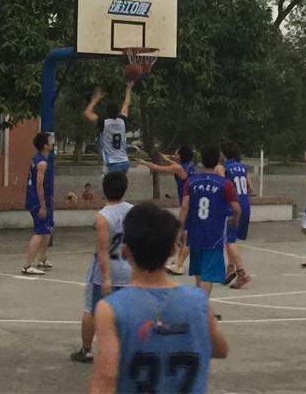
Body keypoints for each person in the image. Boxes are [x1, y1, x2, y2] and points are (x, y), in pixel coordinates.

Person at [90, 203, 228, 393]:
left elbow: (106, 379)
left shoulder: (111, 308)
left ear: (125, 251)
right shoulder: (198, 300)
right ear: (172, 250)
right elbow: (220, 349)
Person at [71, 171, 133, 363]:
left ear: (105, 190)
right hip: (127, 267)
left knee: (91, 309)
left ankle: (86, 350)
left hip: (106, 268)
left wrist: (106, 277)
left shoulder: (103, 216)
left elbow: (103, 249)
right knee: (126, 310)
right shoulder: (133, 211)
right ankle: (127, 349)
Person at [179, 145, 241, 305]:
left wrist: (180, 228)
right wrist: (235, 218)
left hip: (195, 231)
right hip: (214, 234)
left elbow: (185, 205)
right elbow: (236, 208)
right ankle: (202, 307)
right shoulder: (225, 184)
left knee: (199, 270)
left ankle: (200, 306)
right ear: (218, 160)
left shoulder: (191, 182)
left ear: (201, 160)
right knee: (209, 273)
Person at [139, 146, 196, 275]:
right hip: (192, 201)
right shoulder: (190, 166)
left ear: (180, 156)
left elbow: (159, 168)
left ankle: (179, 264)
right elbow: (175, 164)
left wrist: (145, 163)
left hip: (188, 203)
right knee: (184, 235)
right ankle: (177, 262)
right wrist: (165, 158)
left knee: (186, 235)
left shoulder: (178, 168)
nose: (174, 155)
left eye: (176, 153)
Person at [216, 141, 252, 289]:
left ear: (223, 153)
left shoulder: (222, 167)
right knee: (231, 239)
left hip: (232, 204)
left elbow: (222, 186)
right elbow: (250, 187)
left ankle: (241, 273)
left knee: (230, 240)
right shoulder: (242, 167)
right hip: (245, 203)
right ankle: (230, 269)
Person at [22, 132, 55, 275]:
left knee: (48, 229)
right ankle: (28, 265)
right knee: (40, 231)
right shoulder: (42, 163)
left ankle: (42, 258)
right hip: (38, 201)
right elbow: (39, 185)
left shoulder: (38, 159)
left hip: (44, 200)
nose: (52, 142)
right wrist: (42, 205)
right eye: (50, 140)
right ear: (45, 145)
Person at [83, 83, 133, 173]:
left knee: (108, 182)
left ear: (107, 113)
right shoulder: (122, 121)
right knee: (120, 181)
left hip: (112, 163)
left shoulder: (104, 123)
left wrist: (95, 99)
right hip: (124, 161)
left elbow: (87, 113)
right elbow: (126, 105)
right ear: (118, 112)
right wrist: (128, 89)